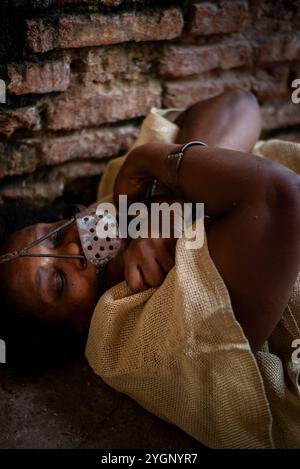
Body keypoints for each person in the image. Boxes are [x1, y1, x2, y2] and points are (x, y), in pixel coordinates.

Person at [0, 90, 299, 447]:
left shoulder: (117, 193)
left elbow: (240, 105)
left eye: (51, 236)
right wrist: (148, 163)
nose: (73, 248)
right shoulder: (145, 338)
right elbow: (283, 197)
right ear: (75, 324)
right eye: (59, 281)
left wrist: (168, 201)